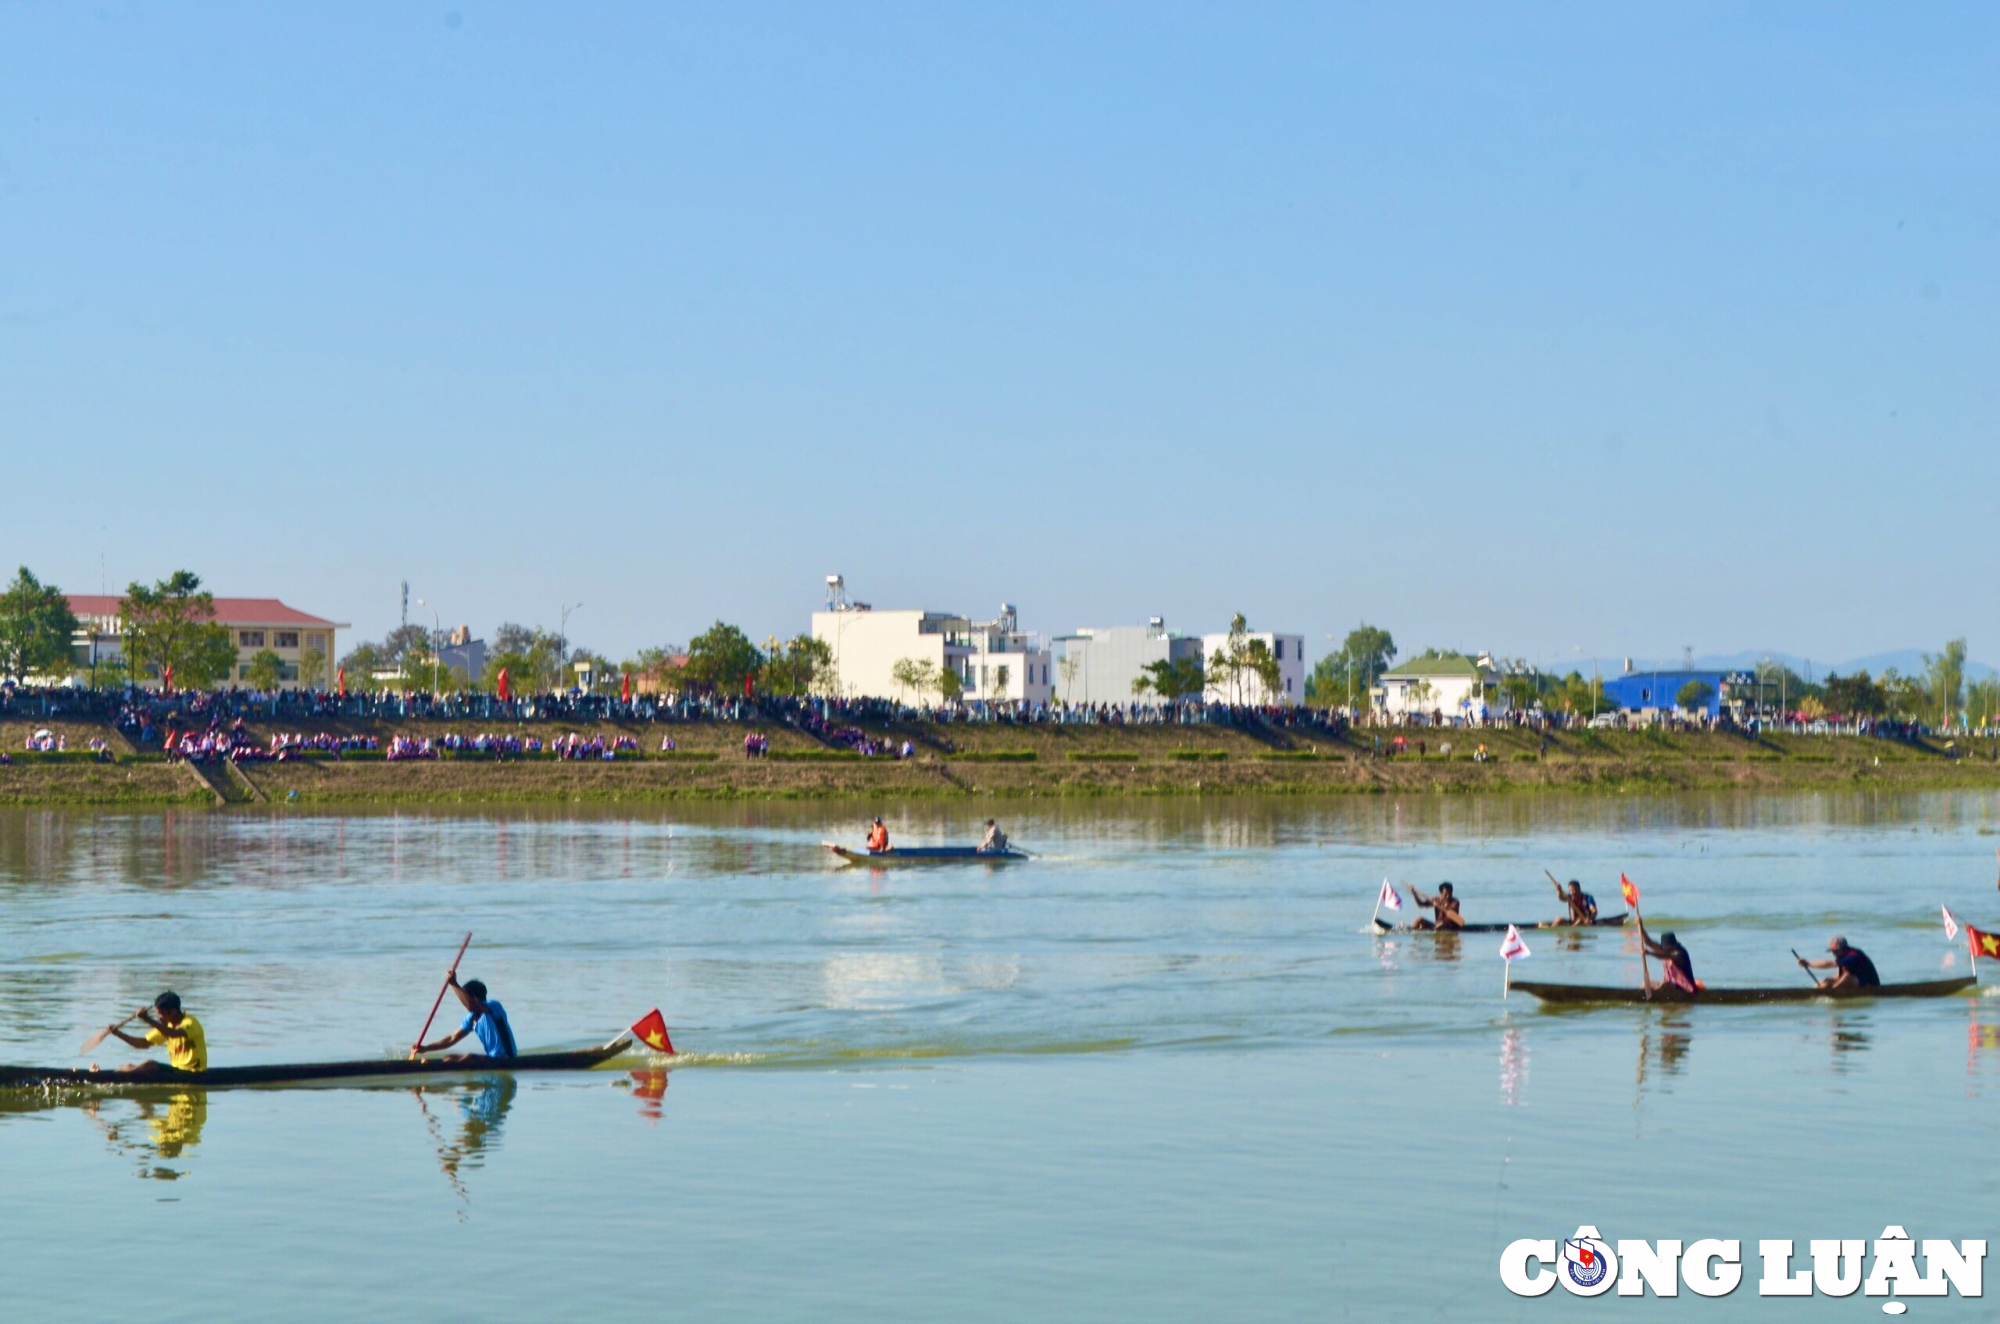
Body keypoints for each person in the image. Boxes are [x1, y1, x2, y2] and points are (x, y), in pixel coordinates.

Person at [411, 973, 517, 1060]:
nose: (462, 1001)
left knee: (468, 1058)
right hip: (492, 1058)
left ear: (474, 997)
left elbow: (471, 1006)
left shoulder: (494, 1006)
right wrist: (426, 1048)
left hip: (507, 1058)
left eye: (464, 996)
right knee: (449, 1058)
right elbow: (451, 1038)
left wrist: (454, 984)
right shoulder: (471, 1018)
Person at [106, 991, 209, 1075]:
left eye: (161, 1014)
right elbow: (143, 1044)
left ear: (173, 1011)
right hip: (177, 1071)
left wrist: (147, 1019)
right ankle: (114, 1075)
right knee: (128, 1066)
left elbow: (173, 1033)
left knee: (150, 1065)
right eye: (157, 1014)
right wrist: (118, 1033)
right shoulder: (167, 1026)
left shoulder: (190, 1023)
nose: (158, 1017)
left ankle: (117, 1077)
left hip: (194, 1072)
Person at [1798, 935, 1880, 991]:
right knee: (1828, 981)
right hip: (1856, 980)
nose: (1834, 953)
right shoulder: (1843, 957)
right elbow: (1840, 974)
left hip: (1871, 985)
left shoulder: (1853, 955)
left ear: (1844, 949)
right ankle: (1822, 990)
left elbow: (1830, 964)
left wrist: (1808, 963)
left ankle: (1833, 992)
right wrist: (1825, 983)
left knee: (1848, 977)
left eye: (1836, 951)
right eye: (1832, 951)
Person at [1638, 918, 1697, 994]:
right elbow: (1649, 943)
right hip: (1671, 984)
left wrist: (1649, 953)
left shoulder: (1680, 953)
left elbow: (1664, 956)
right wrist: (1641, 927)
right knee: (1645, 984)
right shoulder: (1666, 950)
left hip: (1685, 987)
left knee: (1666, 985)